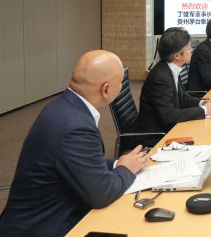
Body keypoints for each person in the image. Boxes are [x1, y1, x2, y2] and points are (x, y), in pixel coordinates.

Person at [0, 50, 148, 237]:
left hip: (41, 214)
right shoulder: (77, 127)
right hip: (44, 227)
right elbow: (102, 194)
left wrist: (117, 164)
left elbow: (79, 161)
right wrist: (126, 169)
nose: (121, 87)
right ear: (106, 89)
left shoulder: (63, 107)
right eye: (120, 82)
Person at [139, 27, 211, 133]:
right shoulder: (161, 78)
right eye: (188, 47)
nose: (191, 50)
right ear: (177, 56)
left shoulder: (170, 68)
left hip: (171, 127)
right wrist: (205, 110)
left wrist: (203, 103)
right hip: (159, 134)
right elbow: (168, 115)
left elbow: (182, 98)